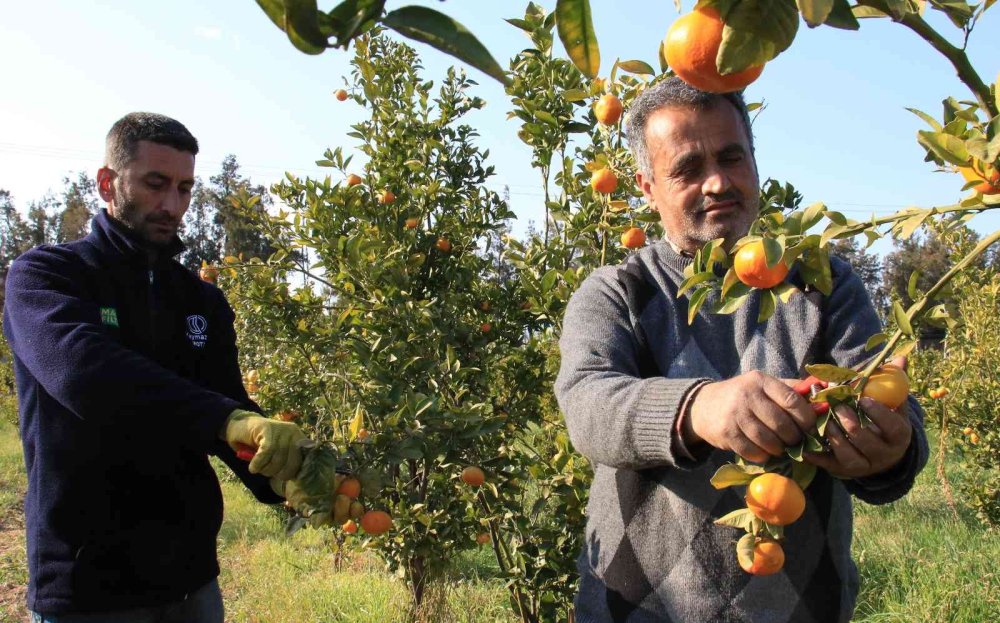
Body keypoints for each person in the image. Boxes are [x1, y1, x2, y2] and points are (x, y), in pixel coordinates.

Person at [555, 78, 928, 623]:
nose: (717, 183)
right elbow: (589, 403)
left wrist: (891, 449)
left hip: (800, 608)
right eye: (687, 168)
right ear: (648, 185)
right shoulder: (618, 292)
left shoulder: (824, 286)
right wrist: (698, 409)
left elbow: (891, 411)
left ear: (754, 163)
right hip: (639, 608)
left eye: (733, 158)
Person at [3, 112, 306, 623]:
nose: (173, 205)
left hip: (190, 582)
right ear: (107, 182)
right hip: (87, 586)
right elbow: (86, 373)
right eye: (155, 183)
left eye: (185, 188)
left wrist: (298, 480)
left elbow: (224, 410)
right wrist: (224, 418)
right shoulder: (46, 276)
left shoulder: (201, 300)